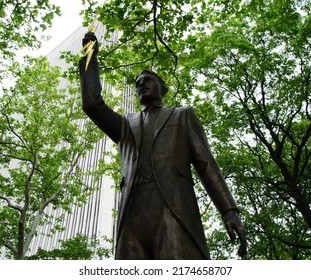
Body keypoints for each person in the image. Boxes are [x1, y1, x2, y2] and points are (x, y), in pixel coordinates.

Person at [79, 32, 247, 259]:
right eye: (137, 84)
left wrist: (229, 210)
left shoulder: (183, 116)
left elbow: (206, 164)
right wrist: (90, 57)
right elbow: (92, 104)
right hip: (132, 217)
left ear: (163, 88)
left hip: (174, 211)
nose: (140, 85)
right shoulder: (125, 125)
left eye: (147, 80)